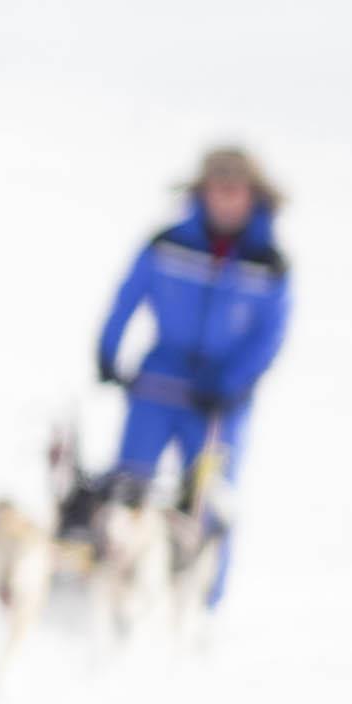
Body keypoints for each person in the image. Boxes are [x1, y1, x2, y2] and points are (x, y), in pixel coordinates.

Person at [94, 147, 293, 607]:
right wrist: (108, 350)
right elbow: (128, 297)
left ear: (252, 196)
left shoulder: (269, 263)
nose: (224, 199)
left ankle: (202, 603)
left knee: (209, 501)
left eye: (234, 190)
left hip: (220, 399)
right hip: (159, 383)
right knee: (130, 486)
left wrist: (232, 384)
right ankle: (115, 586)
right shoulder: (168, 244)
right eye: (215, 189)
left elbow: (270, 336)